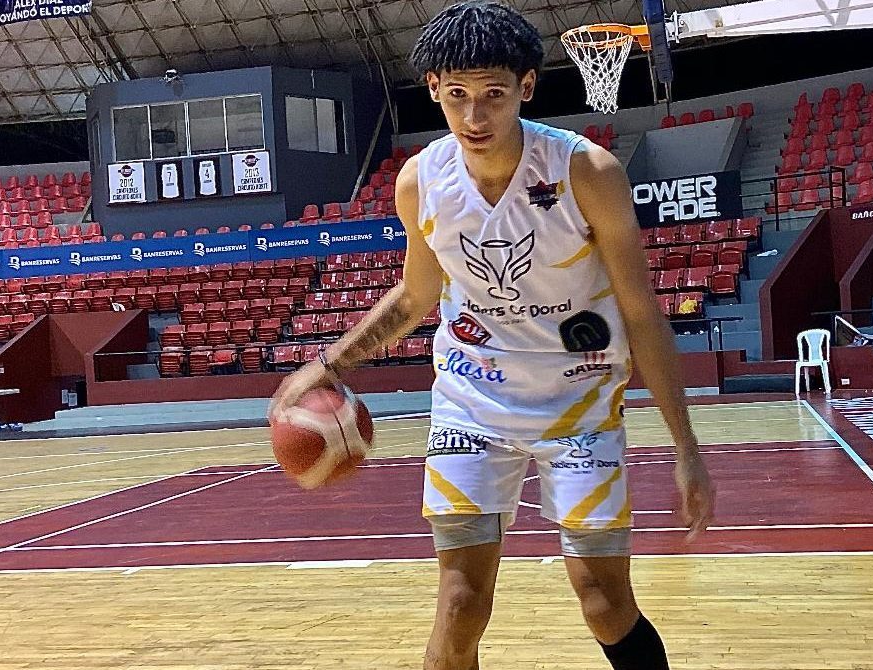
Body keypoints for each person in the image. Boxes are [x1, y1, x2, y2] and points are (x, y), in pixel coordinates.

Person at [270, 2, 713, 668]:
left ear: (526, 87)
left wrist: (686, 447)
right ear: (433, 89)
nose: (474, 116)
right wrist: (329, 363)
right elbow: (416, 295)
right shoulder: (421, 181)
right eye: (457, 96)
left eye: (493, 95)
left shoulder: (586, 172)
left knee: (604, 601)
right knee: (460, 604)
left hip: (581, 403)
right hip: (472, 401)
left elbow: (642, 312)